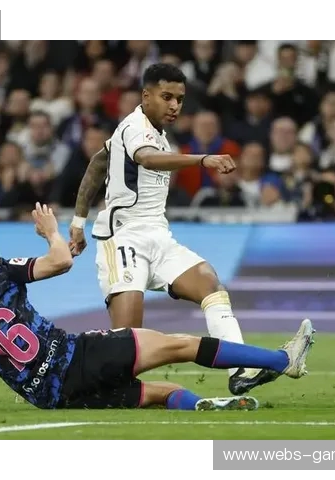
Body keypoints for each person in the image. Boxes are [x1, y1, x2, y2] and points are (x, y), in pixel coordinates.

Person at [0, 203, 316, 411]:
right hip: (75, 357)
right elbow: (61, 261)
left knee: (163, 393)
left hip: (50, 396)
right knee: (180, 345)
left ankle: (202, 406)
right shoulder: (0, 273)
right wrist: (52, 232)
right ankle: (283, 360)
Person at [69, 63, 282, 396]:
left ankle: (242, 370)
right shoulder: (135, 127)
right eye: (166, 97)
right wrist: (202, 159)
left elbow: (98, 163)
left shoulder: (154, 134)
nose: (174, 106)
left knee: (209, 283)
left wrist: (77, 221)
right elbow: (148, 159)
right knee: (127, 342)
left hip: (158, 235)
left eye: (179, 99)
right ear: (146, 96)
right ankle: (87, 379)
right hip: (124, 239)